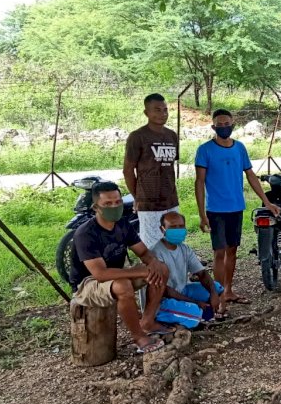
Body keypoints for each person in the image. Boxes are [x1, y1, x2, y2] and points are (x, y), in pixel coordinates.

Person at [69, 181, 170, 354]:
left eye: (117, 202)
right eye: (107, 204)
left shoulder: (123, 225)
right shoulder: (86, 233)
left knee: (162, 269)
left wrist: (153, 263)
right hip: (86, 284)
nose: (114, 207)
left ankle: (147, 321)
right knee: (123, 285)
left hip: (116, 275)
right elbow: (100, 274)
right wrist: (140, 271)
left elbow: (143, 252)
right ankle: (139, 338)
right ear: (96, 207)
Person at [195, 108, 280, 304]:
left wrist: (266, 202)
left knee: (232, 250)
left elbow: (250, 175)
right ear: (213, 126)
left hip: (236, 208)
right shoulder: (205, 150)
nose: (224, 127)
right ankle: (217, 294)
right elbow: (199, 182)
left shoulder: (239, 148)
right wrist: (202, 214)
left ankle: (228, 290)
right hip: (215, 209)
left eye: (227, 124)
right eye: (220, 125)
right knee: (219, 252)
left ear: (233, 125)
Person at [123, 93, 179, 249]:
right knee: (153, 248)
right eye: (157, 110)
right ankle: (155, 274)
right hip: (149, 204)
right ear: (146, 113)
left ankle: (175, 273)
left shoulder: (171, 136)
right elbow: (128, 170)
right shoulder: (137, 137)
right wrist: (137, 197)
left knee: (174, 242)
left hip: (171, 200)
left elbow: (169, 166)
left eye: (165, 110)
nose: (162, 114)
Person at [150, 211, 225, 321]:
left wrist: (213, 294)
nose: (177, 230)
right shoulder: (155, 252)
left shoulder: (184, 249)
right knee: (195, 313)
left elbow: (202, 273)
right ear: (162, 229)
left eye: (180, 226)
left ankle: (200, 312)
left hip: (182, 290)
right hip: (162, 299)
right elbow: (165, 290)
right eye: (172, 227)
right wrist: (195, 302)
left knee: (217, 288)